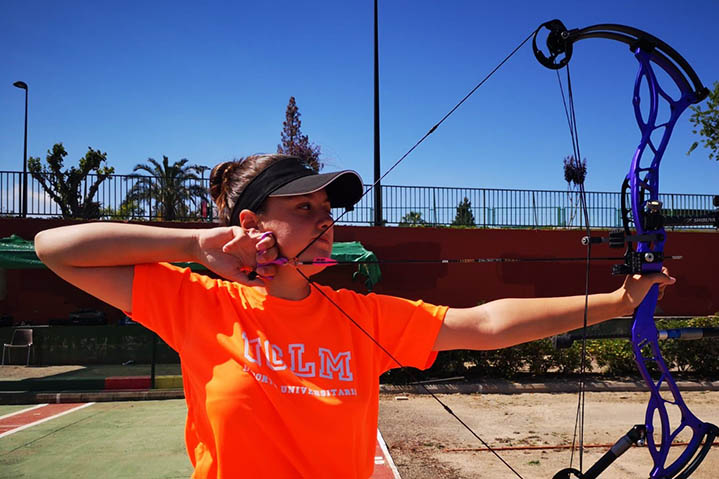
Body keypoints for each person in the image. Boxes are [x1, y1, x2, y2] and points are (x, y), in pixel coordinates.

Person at [34, 154, 675, 478]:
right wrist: (191, 246)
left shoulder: (358, 316)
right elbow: (55, 249)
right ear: (252, 224)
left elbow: (484, 323)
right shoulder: (200, 302)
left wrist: (618, 303)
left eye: (327, 210)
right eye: (305, 209)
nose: (326, 222)